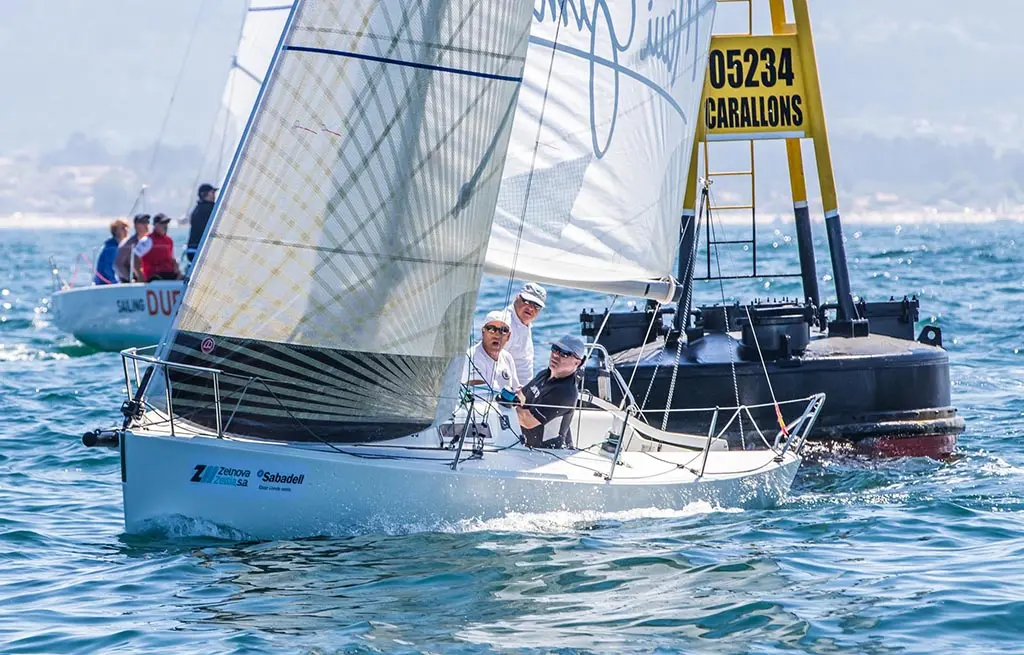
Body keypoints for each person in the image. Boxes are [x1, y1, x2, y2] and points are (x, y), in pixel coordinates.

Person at [516, 334, 586, 448]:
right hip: (527, 447)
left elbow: (527, 421)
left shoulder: (565, 392)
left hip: (548, 454)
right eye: (555, 349)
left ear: (577, 362)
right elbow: (521, 396)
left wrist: (509, 408)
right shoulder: (544, 374)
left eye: (564, 354)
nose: (556, 355)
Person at [463, 310, 520, 391]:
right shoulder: (471, 357)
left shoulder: (507, 357)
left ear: (508, 336)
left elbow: (517, 389)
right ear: (483, 331)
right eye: (491, 329)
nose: (497, 335)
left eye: (503, 330)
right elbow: (479, 394)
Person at [504, 281, 546, 385]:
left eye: (536, 305)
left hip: (522, 393)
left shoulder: (524, 323)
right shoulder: (504, 323)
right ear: (517, 298)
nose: (531, 308)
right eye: (527, 301)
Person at [133, 213, 182, 282]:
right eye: (162, 223)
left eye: (166, 223)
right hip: (154, 276)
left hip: (169, 274)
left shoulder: (169, 240)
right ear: (155, 225)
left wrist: (177, 269)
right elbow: (135, 256)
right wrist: (140, 275)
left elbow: (172, 259)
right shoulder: (147, 240)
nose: (165, 226)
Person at [114, 214, 150, 283]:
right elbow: (118, 264)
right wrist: (130, 279)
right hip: (132, 281)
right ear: (136, 226)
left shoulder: (151, 241)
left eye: (147, 222)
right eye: (143, 222)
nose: (146, 224)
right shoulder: (127, 244)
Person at [187, 183, 217, 262]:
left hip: (191, 250)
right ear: (205, 194)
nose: (214, 195)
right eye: (212, 193)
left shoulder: (197, 209)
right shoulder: (211, 209)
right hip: (200, 249)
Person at [94, 219, 128, 285]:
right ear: (115, 231)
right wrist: (115, 283)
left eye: (127, 227)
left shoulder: (122, 246)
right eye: (123, 228)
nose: (126, 230)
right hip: (104, 285)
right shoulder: (111, 248)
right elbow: (108, 269)